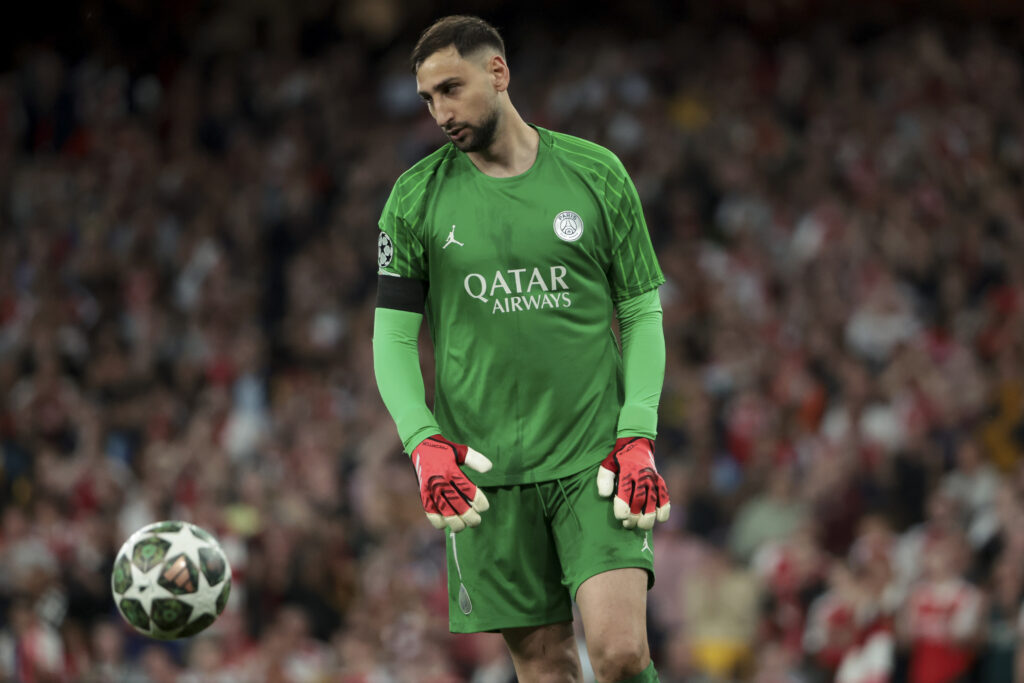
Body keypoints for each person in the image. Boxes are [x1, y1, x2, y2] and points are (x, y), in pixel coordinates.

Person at [371, 15, 671, 683]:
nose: (441, 111)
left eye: (452, 88)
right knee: (544, 665)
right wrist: (422, 442)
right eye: (428, 99)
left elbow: (642, 311)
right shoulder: (414, 199)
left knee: (620, 653)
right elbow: (391, 336)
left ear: (498, 72)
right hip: (484, 472)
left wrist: (638, 434)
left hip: (594, 458)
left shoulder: (596, 173)